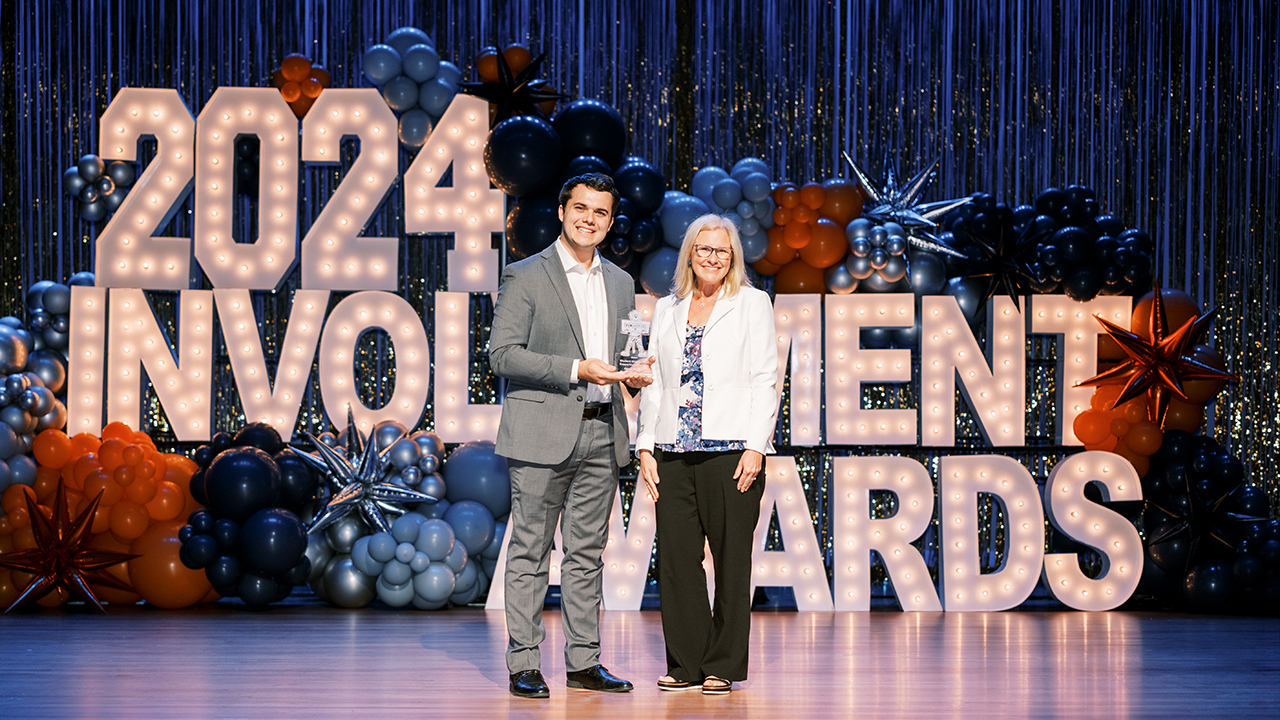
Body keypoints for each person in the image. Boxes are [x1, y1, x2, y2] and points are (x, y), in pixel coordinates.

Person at [489, 172, 654, 699]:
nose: (589, 219)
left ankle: (584, 663)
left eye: (601, 213)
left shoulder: (622, 283)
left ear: (610, 222)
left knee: (587, 555)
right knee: (531, 554)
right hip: (541, 431)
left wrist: (637, 370)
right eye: (580, 208)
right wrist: (576, 369)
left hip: (604, 433)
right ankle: (524, 664)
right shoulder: (526, 275)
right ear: (561, 212)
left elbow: (624, 353)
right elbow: (503, 355)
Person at [635, 214, 778, 696]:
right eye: (704, 249)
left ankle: (722, 665)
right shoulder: (668, 308)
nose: (712, 257)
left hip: (733, 451)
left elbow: (765, 379)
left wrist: (757, 446)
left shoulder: (753, 304)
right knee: (676, 561)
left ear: (732, 256)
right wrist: (646, 446)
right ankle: (687, 663)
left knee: (732, 562)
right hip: (674, 451)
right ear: (690, 255)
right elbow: (654, 382)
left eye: (722, 250)